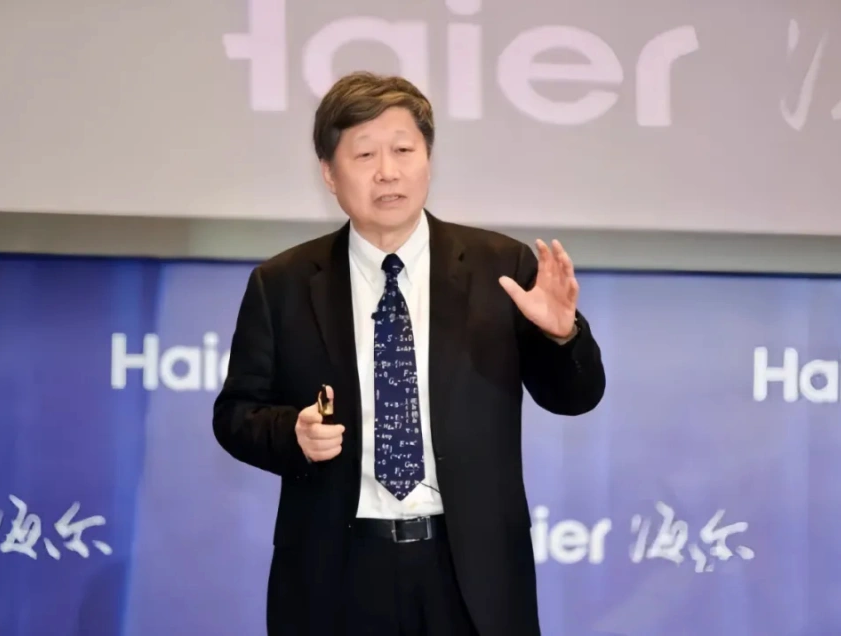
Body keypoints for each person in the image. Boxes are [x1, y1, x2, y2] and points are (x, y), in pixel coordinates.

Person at [213, 71, 605, 636]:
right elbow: (235, 414)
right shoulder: (283, 283)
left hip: (469, 571)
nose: (387, 172)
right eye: (364, 154)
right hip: (338, 572)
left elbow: (574, 398)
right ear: (329, 173)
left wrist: (562, 337)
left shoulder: (501, 268)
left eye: (403, 150)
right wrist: (291, 433)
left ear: (428, 159)